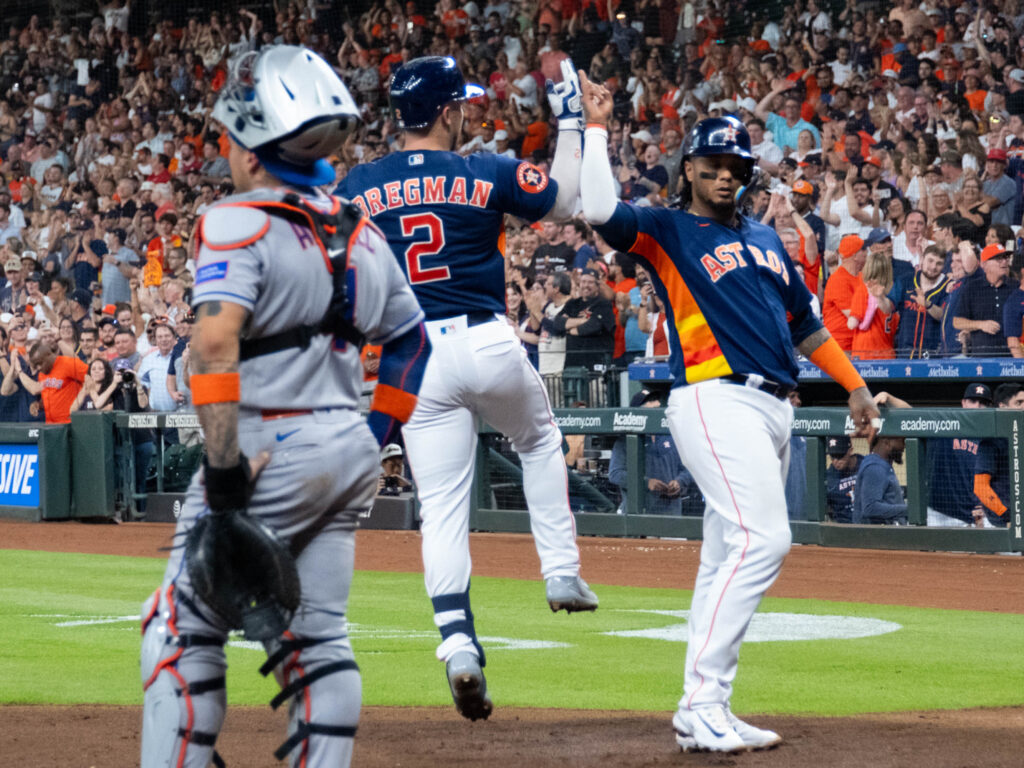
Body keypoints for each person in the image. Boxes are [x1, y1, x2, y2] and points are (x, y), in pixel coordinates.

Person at [139, 46, 428, 768]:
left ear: (257, 150)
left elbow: (213, 345)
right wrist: (373, 434)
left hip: (270, 444)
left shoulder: (235, 221)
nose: (227, 152)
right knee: (319, 637)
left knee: (178, 625)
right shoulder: (360, 231)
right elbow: (411, 344)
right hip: (348, 451)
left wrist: (225, 469)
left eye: (233, 140)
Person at [579, 78, 879, 753]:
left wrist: (856, 386)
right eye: (710, 167)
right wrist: (596, 128)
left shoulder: (766, 240)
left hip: (775, 405)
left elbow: (806, 325)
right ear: (688, 168)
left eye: (735, 169)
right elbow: (600, 209)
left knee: (723, 556)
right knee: (763, 540)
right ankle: (703, 700)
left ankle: (703, 709)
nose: (722, 178)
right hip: (715, 395)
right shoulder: (666, 228)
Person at [335, 55, 596, 724]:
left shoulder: (360, 184)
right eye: (463, 104)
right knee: (539, 441)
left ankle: (457, 644)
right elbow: (566, 200)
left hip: (414, 355)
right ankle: (560, 571)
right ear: (449, 111)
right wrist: (570, 122)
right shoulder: (483, 169)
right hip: (486, 336)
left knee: (443, 508)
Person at [608, 389, 700, 515]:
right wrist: (646, 483)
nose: (656, 403)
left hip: (671, 514)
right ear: (637, 410)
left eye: (656, 400)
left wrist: (679, 481)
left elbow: (689, 468)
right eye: (650, 401)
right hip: (638, 515)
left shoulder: (672, 436)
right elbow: (615, 474)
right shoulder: (625, 441)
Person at [928, 383, 990, 527]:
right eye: (973, 401)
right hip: (939, 514)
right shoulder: (945, 427)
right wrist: (888, 396)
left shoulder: (994, 439)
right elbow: (908, 412)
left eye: (983, 403)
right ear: (963, 403)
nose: (978, 407)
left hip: (974, 516)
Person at [974, 383, 1024, 527]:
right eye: (1019, 403)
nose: (1023, 407)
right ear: (1003, 407)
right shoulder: (992, 441)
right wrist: (1006, 514)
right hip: (1001, 523)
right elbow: (980, 487)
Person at [953, 243, 1014, 356]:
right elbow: (957, 322)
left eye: (1005, 258)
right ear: (984, 264)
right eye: (998, 259)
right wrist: (980, 325)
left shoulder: (1016, 287)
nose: (1004, 262)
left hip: (1013, 359)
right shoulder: (972, 288)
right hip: (981, 360)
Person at [553, 267, 616, 368]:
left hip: (596, 366)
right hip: (573, 366)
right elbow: (557, 323)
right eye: (583, 282)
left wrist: (569, 329)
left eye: (590, 282)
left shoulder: (603, 304)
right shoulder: (572, 303)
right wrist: (583, 320)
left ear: (597, 286)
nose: (586, 285)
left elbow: (594, 326)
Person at [24, 339, 87, 424]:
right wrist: (38, 405)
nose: (38, 368)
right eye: (36, 365)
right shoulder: (42, 373)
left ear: (49, 355)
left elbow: (93, 378)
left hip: (71, 423)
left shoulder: (68, 363)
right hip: (51, 425)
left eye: (40, 363)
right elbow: (51, 394)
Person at [852, 435, 908, 525]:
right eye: (902, 441)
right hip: (874, 537)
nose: (904, 446)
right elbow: (870, 508)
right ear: (887, 442)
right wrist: (909, 510)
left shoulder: (881, 464)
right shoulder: (875, 467)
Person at [825, 435, 861, 523]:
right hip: (842, 527)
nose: (835, 461)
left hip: (867, 525)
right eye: (832, 457)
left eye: (840, 456)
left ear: (850, 451)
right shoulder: (829, 476)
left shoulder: (865, 465)